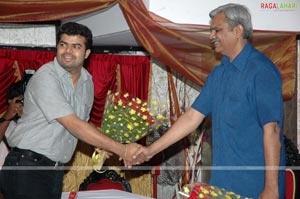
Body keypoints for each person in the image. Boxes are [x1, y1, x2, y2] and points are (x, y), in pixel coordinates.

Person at [137, 3, 285, 199]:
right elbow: (191, 117)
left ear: (238, 30)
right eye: (210, 31)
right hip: (221, 184)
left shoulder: (261, 70)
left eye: (217, 30)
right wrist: (149, 151)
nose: (211, 36)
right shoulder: (218, 73)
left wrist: (272, 188)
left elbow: (272, 130)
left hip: (255, 186)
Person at [0, 22, 145, 199]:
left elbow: (82, 122)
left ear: (87, 53)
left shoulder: (87, 82)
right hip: (26, 166)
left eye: (75, 46)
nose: (67, 51)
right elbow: (73, 124)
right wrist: (121, 150)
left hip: (54, 170)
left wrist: (100, 144)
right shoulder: (45, 76)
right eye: (63, 44)